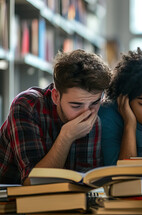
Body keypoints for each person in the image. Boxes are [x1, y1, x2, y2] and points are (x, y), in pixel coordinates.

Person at [0, 49, 111, 184]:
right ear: (56, 96)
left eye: (94, 103)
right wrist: (66, 137)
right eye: (76, 106)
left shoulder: (95, 118)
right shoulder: (27, 105)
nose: (86, 113)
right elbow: (33, 182)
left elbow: (86, 181)